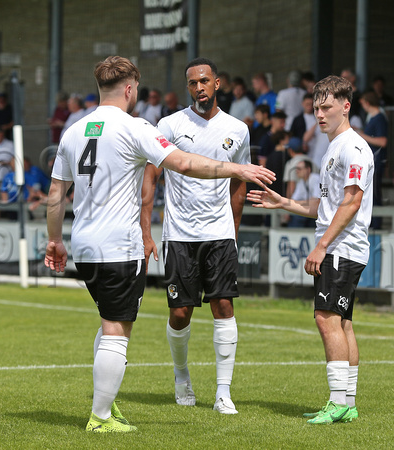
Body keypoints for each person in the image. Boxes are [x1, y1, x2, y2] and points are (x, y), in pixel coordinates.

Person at [44, 55, 275, 434]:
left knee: (108, 322)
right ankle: (100, 417)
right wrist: (237, 168)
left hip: (84, 245)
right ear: (131, 89)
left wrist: (55, 239)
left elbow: (55, 193)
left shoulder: (73, 130)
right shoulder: (137, 128)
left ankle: (108, 404)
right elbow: (182, 163)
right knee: (117, 331)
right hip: (119, 246)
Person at [247, 75, 374, 425]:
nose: (320, 114)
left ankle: (337, 403)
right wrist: (283, 201)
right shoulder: (332, 147)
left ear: (346, 107)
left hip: (342, 248)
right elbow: (326, 205)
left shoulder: (353, 147)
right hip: (341, 246)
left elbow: (351, 203)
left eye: (327, 107)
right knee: (343, 323)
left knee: (326, 318)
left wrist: (321, 245)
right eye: (316, 107)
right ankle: (347, 403)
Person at [141, 57, 255, 416]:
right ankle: (181, 375)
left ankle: (224, 392)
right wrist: (146, 228)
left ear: (217, 83)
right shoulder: (170, 124)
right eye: (192, 83)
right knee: (180, 313)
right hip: (179, 234)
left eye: (204, 81)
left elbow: (240, 180)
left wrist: (233, 230)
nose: (199, 88)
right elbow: (151, 176)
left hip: (219, 234)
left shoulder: (238, 129)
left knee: (224, 306)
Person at [357, 90, 388, 229]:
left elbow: (382, 141)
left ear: (367, 102)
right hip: (370, 161)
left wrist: (361, 135)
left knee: (374, 194)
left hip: (376, 161)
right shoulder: (372, 118)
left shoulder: (379, 118)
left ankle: (376, 224)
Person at [287, 158, 320, 228]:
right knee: (292, 215)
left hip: (319, 211)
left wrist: (297, 204)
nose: (296, 171)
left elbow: (315, 200)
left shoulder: (315, 179)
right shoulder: (301, 182)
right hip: (310, 210)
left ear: (308, 169)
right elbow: (294, 199)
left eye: (299, 169)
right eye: (296, 169)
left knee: (298, 217)